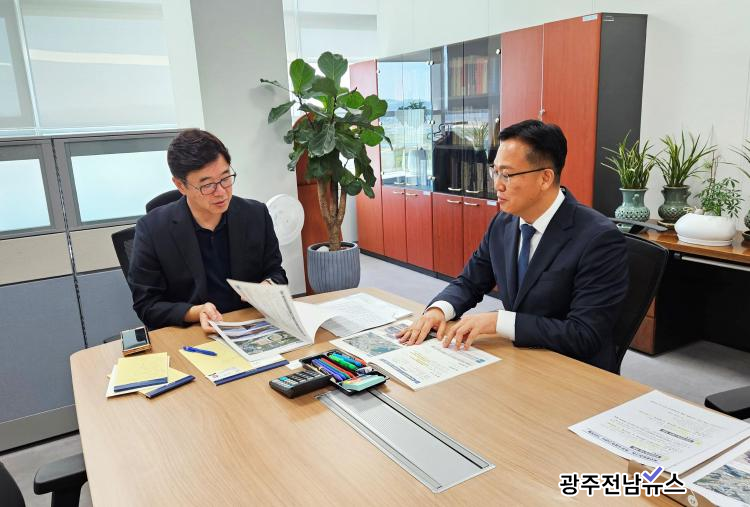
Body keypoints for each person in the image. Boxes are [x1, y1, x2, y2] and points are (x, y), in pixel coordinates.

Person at [397, 120, 628, 371]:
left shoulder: (599, 238)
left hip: (575, 370)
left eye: (507, 174)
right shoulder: (504, 223)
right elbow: (470, 282)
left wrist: (499, 321)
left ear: (545, 178)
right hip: (522, 360)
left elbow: (584, 334)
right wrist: (438, 311)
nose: (497, 184)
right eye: (494, 171)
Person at [128, 128, 287, 332]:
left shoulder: (256, 214)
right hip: (192, 332)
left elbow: (276, 272)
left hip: (250, 326)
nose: (221, 192)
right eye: (208, 185)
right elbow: (147, 305)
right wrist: (195, 312)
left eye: (225, 178)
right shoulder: (152, 229)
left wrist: (267, 286)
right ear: (181, 185)